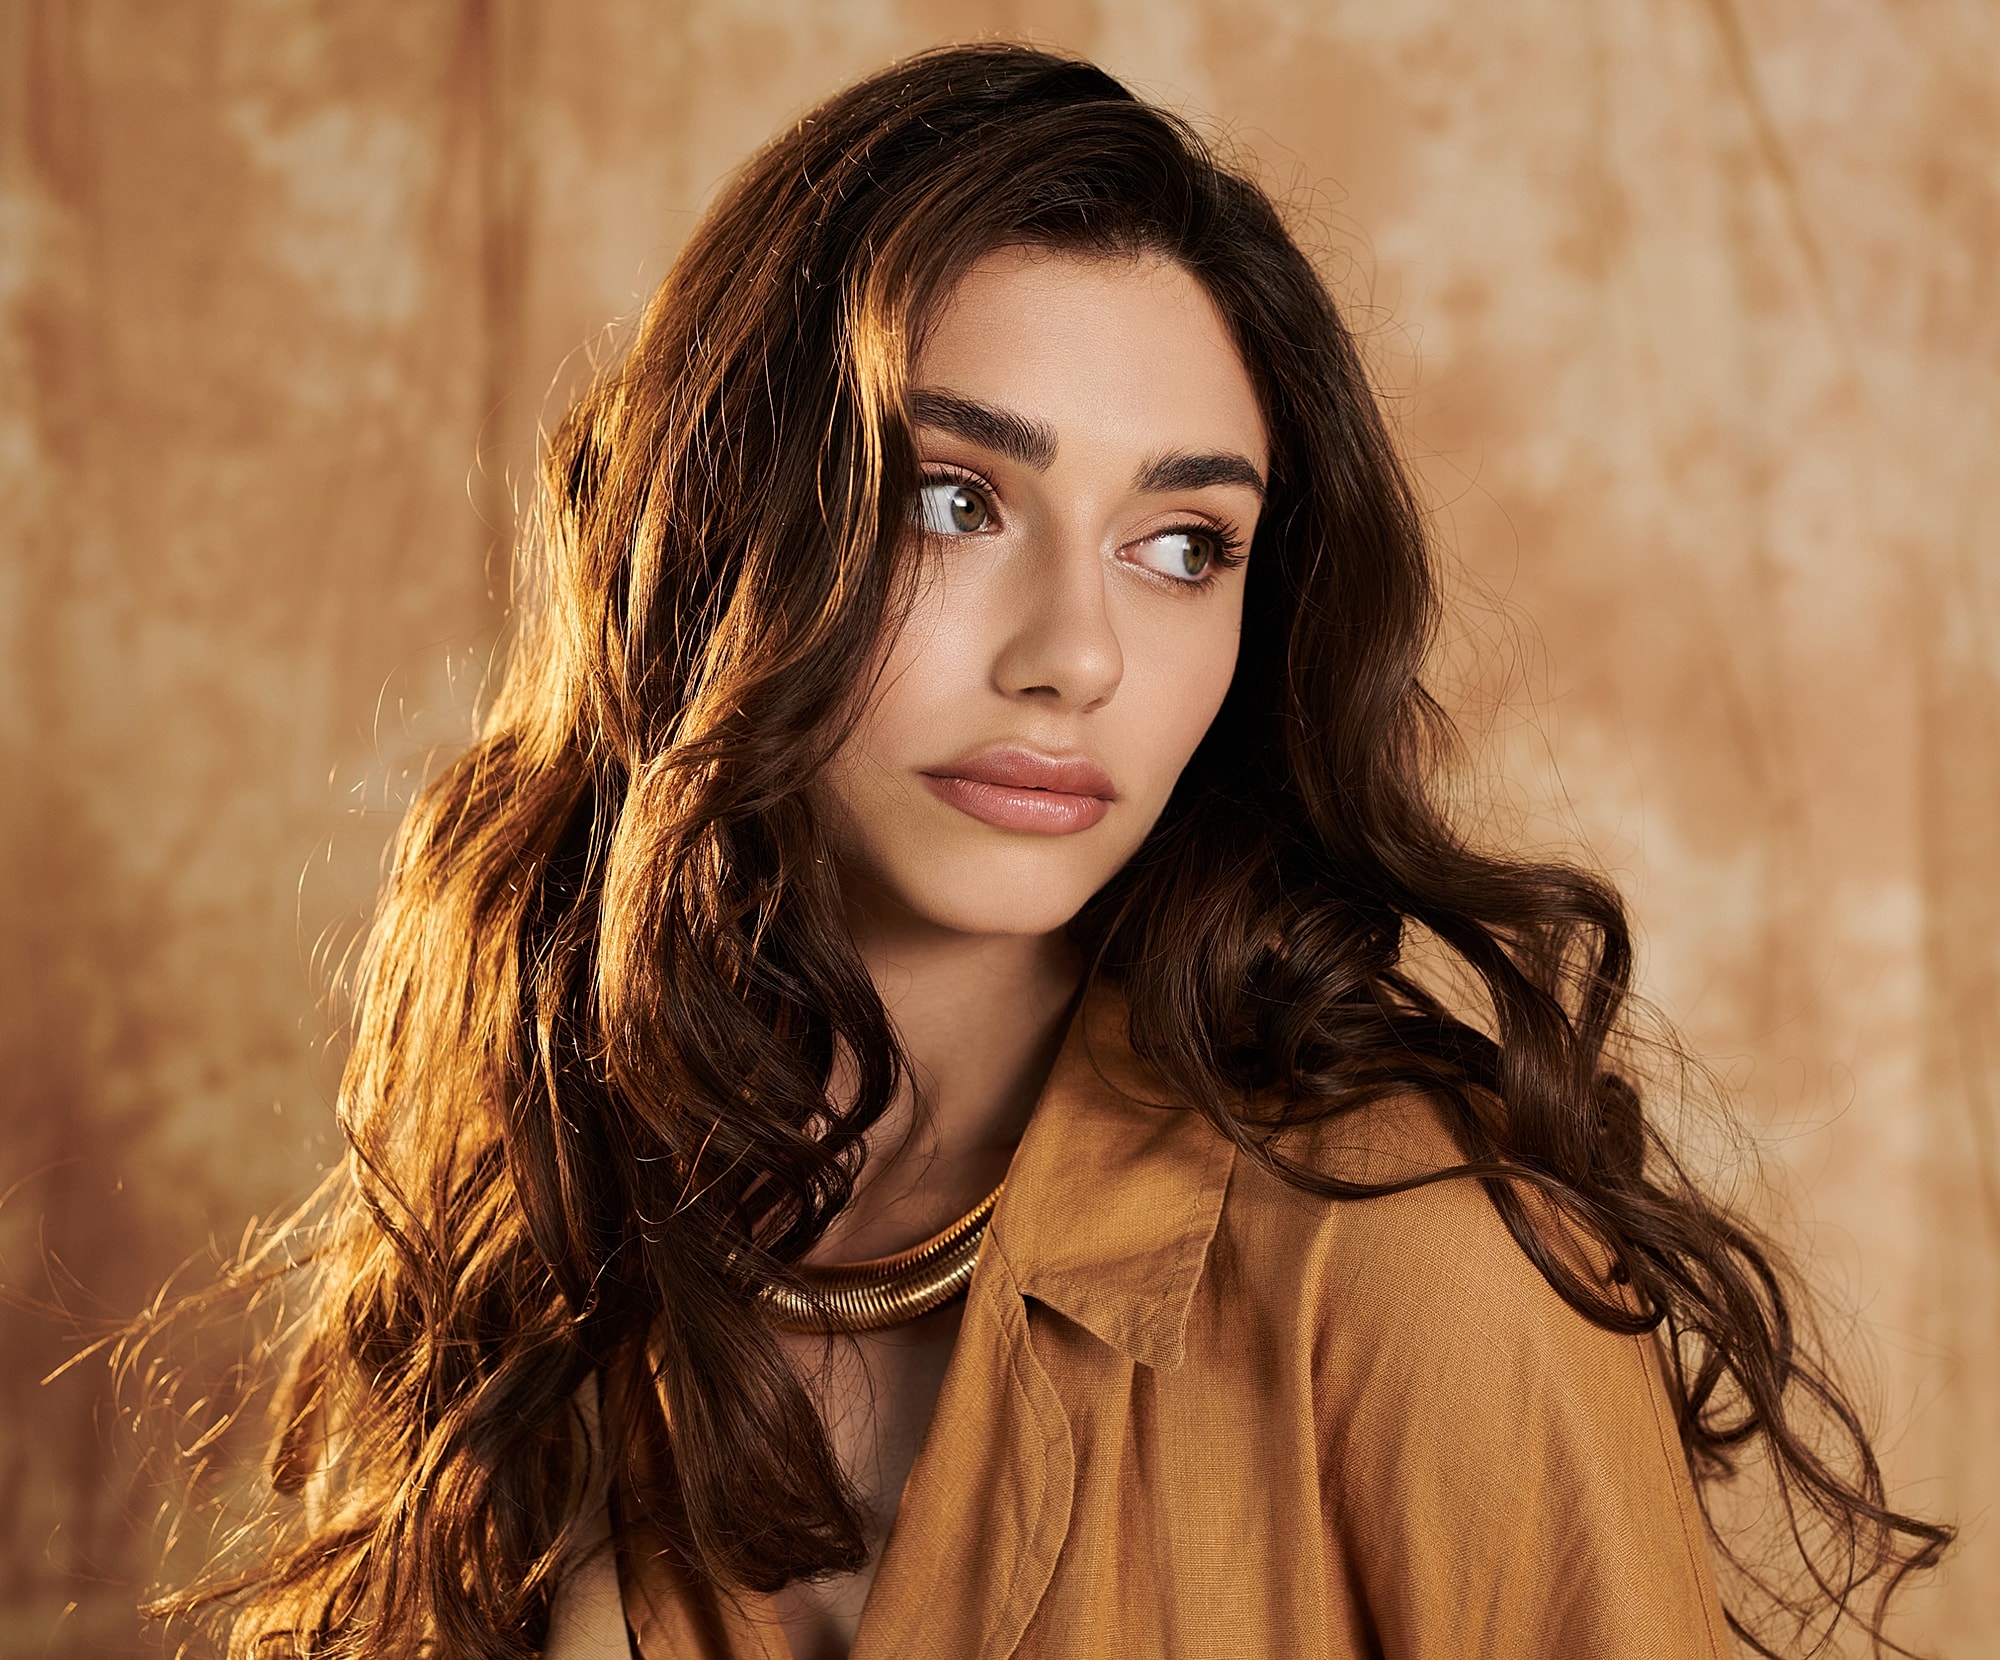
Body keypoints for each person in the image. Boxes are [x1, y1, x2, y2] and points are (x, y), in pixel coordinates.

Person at [147, 42, 1949, 1660]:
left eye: (1184, 545)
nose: (1075, 655)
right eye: (954, 499)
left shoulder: (1415, 1259)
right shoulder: (564, 1210)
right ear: (723, 530)